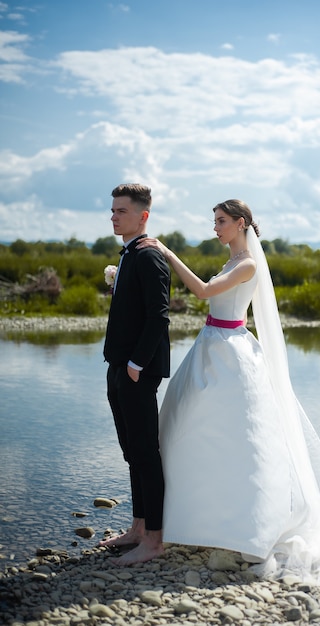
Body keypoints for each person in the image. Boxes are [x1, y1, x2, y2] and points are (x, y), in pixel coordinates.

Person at [137, 199, 320, 584]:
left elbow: (205, 292)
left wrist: (168, 252)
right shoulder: (231, 261)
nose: (216, 228)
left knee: (240, 438)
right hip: (210, 346)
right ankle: (187, 520)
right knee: (186, 429)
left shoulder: (248, 264)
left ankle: (244, 527)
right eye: (214, 221)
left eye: (221, 221)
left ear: (240, 224)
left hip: (232, 352)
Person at [100, 183, 171, 565]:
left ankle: (155, 542)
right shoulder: (128, 254)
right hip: (118, 365)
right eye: (112, 210)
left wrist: (136, 365)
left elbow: (159, 315)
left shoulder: (148, 256)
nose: (113, 216)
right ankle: (139, 527)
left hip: (136, 371)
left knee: (146, 453)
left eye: (121, 211)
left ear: (142, 216)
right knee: (132, 452)